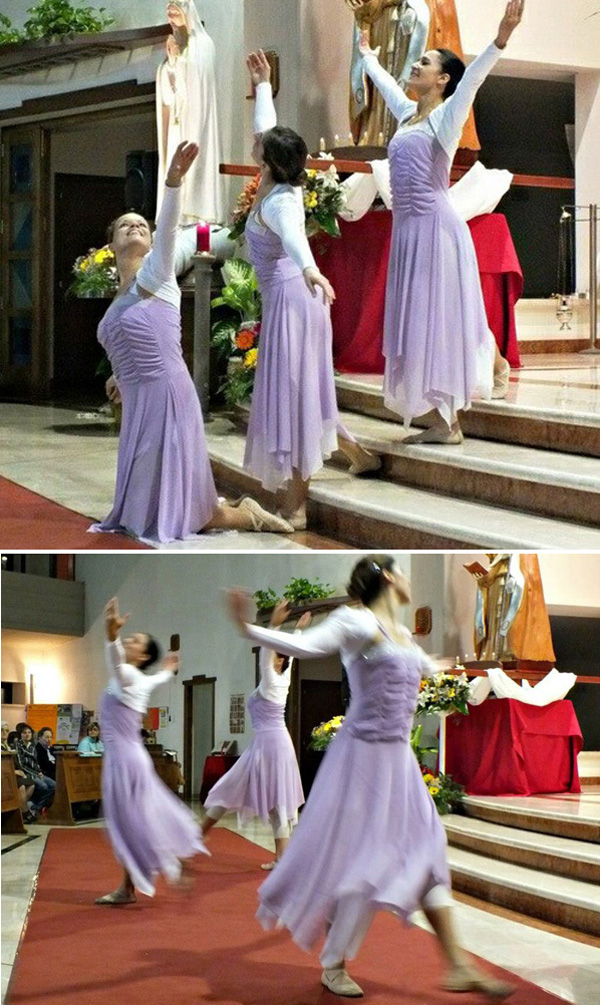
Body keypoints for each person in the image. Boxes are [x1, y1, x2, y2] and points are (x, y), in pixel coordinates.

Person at [226, 557, 513, 1000]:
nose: (409, 580)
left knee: (429, 850)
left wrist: (482, 678)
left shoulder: (404, 638)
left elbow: (435, 675)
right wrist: (250, 631)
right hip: (360, 763)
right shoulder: (356, 623)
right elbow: (308, 645)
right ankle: (334, 963)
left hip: (398, 764)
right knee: (357, 865)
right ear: (390, 579)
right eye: (403, 572)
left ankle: (458, 965)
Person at [89, 140, 293, 543]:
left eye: (141, 225)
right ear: (111, 244)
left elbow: (167, 229)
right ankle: (233, 511)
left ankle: (245, 515)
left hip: (167, 395)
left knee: (183, 515)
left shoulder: (157, 275)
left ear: (150, 242)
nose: (135, 227)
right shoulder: (116, 299)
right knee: (145, 512)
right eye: (125, 225)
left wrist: (173, 182)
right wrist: (117, 375)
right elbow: (127, 338)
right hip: (139, 400)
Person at [357, 0, 524, 444]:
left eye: (425, 62)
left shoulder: (447, 119)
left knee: (443, 320)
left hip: (436, 230)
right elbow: (388, 85)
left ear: (443, 79)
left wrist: (501, 38)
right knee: (422, 322)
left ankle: (451, 421)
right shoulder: (408, 115)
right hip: (409, 233)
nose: (417, 63)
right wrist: (368, 56)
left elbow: (474, 79)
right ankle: (440, 415)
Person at [244, 50, 381, 529]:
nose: (255, 143)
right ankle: (352, 451)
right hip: (292, 300)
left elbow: (296, 241)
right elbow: (266, 128)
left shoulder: (281, 201)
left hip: (295, 299)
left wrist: (311, 271)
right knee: (307, 392)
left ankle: (296, 504)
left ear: (270, 162)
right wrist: (262, 85)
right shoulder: (273, 177)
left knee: (295, 396)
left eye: (261, 145)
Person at [95, 597, 207, 905]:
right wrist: (168, 672)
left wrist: (111, 635)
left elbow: (116, 663)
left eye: (134, 640)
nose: (129, 640)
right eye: (128, 638)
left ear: (142, 655)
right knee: (135, 821)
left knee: (130, 823)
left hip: (125, 761)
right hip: (128, 758)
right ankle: (133, 883)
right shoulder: (140, 679)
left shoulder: (129, 676)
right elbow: (155, 676)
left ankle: (145, 876)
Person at [202, 601, 307, 869]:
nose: (272, 657)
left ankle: (195, 837)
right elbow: (289, 658)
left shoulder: (273, 680)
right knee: (277, 800)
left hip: (269, 744)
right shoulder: (282, 680)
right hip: (274, 743)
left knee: (232, 789)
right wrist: (296, 632)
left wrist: (275, 625)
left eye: (276, 655)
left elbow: (267, 656)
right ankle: (281, 857)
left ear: (279, 660)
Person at [156, 1, 223, 224]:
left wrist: (178, 62)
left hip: (197, 123)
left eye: (176, 12)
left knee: (194, 162)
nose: (172, 16)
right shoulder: (174, 50)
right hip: (178, 122)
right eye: (169, 14)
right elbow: (168, 95)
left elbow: (198, 85)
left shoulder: (203, 44)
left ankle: (198, 212)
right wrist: (172, 63)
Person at [15, 724, 56, 816]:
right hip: (27, 773)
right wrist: (36, 773)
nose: (27, 734)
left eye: (29, 732)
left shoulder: (32, 746)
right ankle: (33, 806)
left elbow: (36, 762)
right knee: (44, 786)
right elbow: (22, 765)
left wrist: (39, 771)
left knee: (54, 785)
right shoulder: (18, 746)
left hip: (37, 772)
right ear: (21, 734)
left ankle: (36, 806)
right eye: (25, 733)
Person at [1, 722, 36, 824]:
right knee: (21, 787)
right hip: (4, 776)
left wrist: (21, 771)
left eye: (7, 731)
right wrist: (14, 771)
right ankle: (25, 813)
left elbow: (16, 763)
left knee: (31, 784)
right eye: (2, 730)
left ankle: (19, 808)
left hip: (11, 775)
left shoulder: (8, 746)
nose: (4, 733)